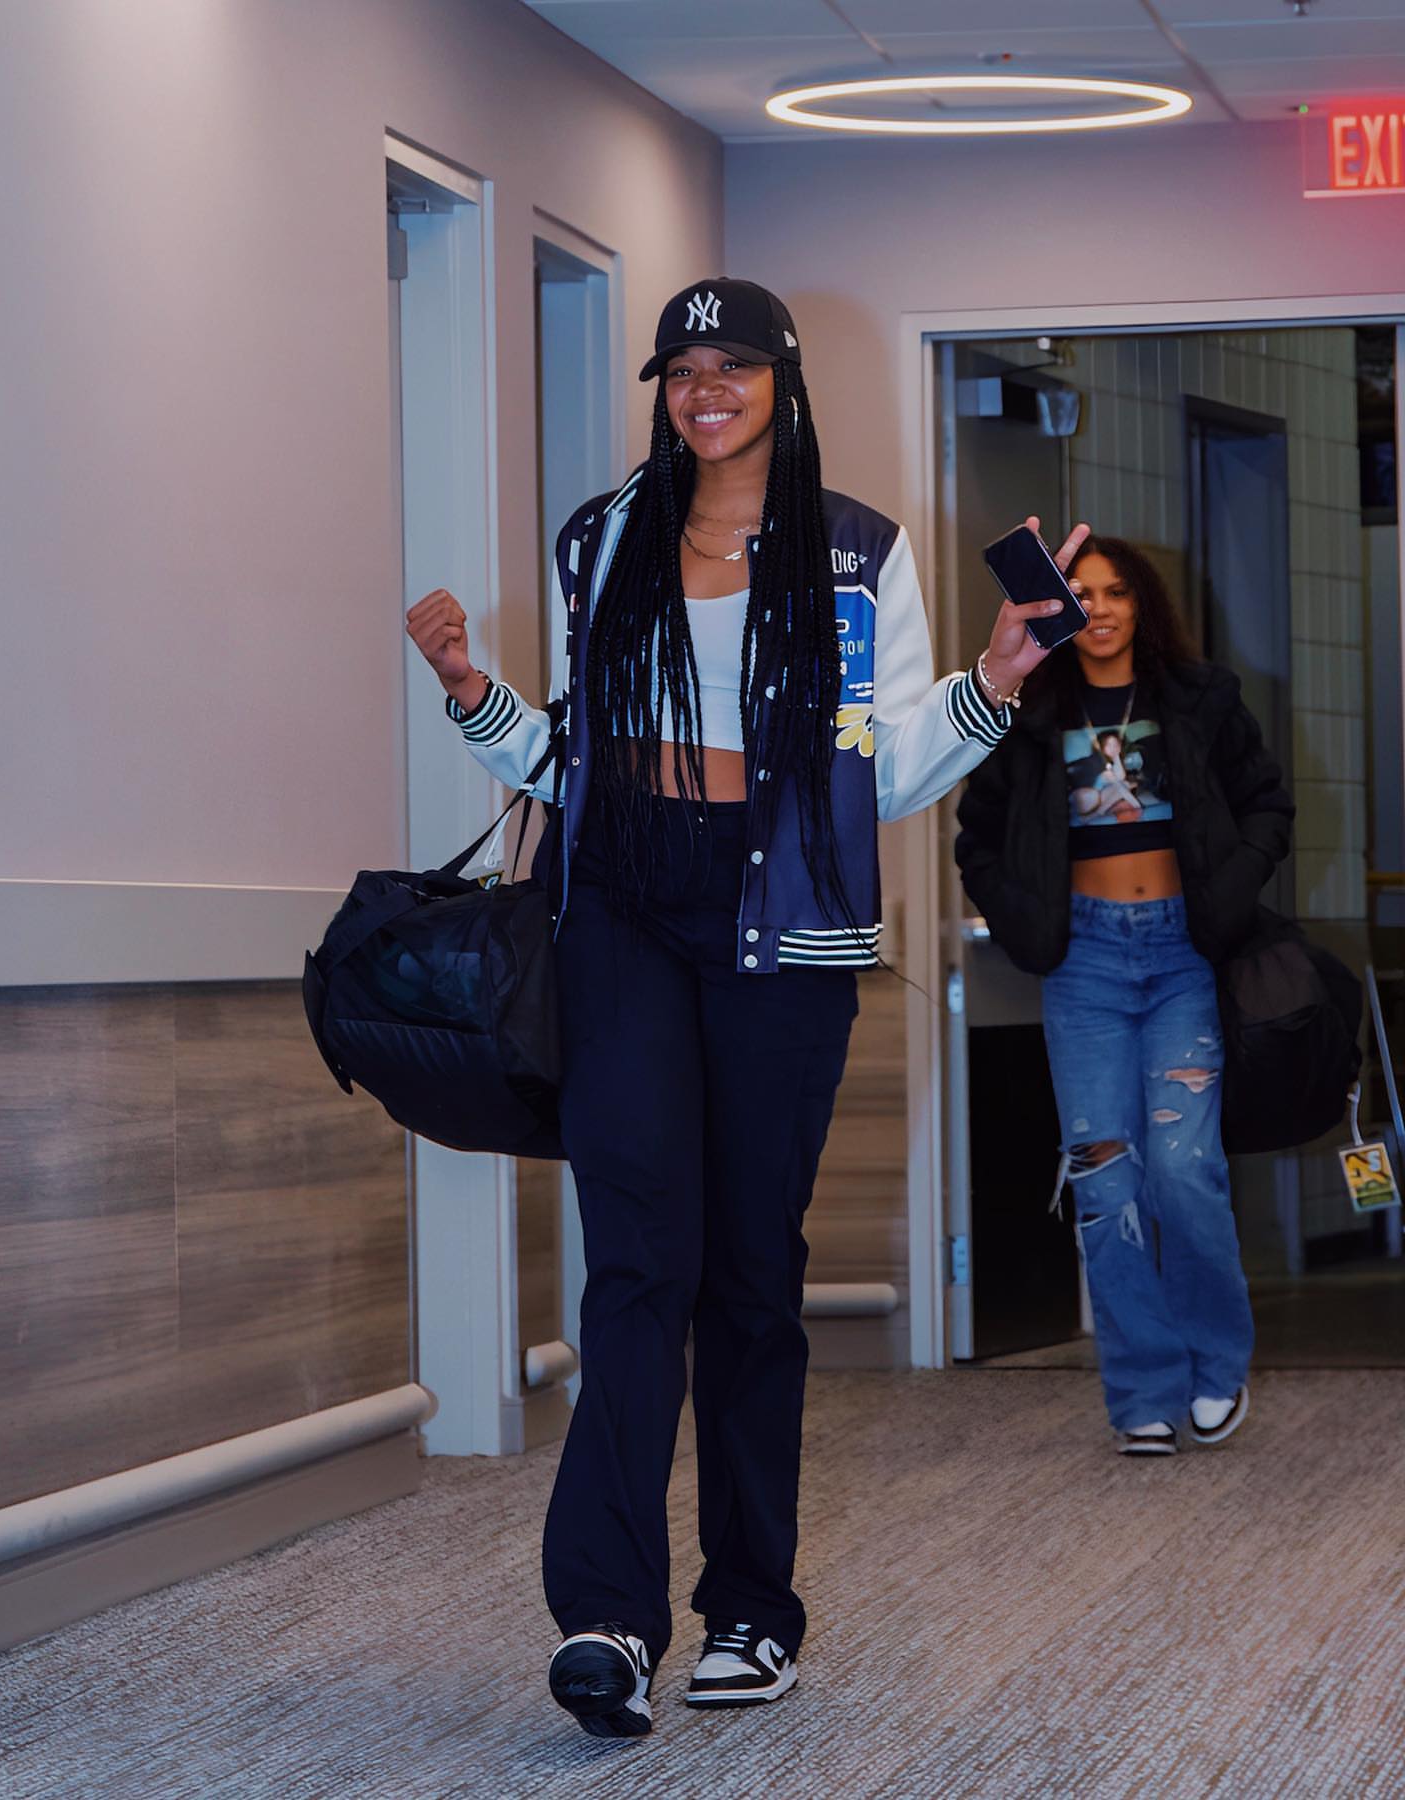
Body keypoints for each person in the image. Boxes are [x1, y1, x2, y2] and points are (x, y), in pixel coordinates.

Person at [407, 277, 1080, 1737]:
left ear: (784, 381)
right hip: (626, 913)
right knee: (636, 1263)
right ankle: (605, 1615)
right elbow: (575, 762)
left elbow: (881, 769)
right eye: (681, 368)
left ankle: (753, 1608)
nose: (704, 389)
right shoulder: (604, 535)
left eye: (733, 364)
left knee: (750, 1275)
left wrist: (993, 680)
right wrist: (470, 692)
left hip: (787, 918)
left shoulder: (858, 551)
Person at [955, 536, 1293, 1457]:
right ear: (1058, 609)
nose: (1098, 609)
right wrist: (1026, 922)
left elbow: (1268, 805)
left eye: (1115, 593)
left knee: (1183, 1169)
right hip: (1088, 965)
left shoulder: (1201, 698)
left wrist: (1227, 894)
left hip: (1182, 954)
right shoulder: (1033, 712)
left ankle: (1216, 1364)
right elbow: (975, 836)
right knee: (1107, 1180)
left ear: (1143, 604)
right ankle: (1143, 1386)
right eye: (1081, 594)